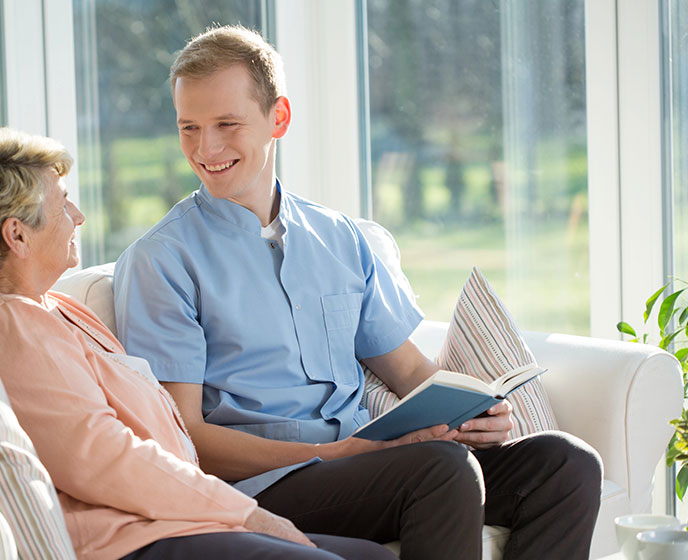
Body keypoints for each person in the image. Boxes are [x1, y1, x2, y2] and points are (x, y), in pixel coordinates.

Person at [113, 25, 603, 560]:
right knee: (442, 471)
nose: (205, 149)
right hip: (267, 485)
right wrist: (341, 450)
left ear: (278, 118)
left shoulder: (340, 238)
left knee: (566, 465)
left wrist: (477, 411)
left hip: (370, 465)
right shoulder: (161, 260)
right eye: (189, 128)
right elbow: (186, 437)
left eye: (226, 124)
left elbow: (409, 373)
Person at [0, 127, 396, 560]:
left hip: (172, 517)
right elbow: (106, 457)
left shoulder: (48, 308)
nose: (77, 216)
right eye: (62, 203)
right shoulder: (8, 328)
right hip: (132, 537)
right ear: (16, 234)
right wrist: (246, 514)